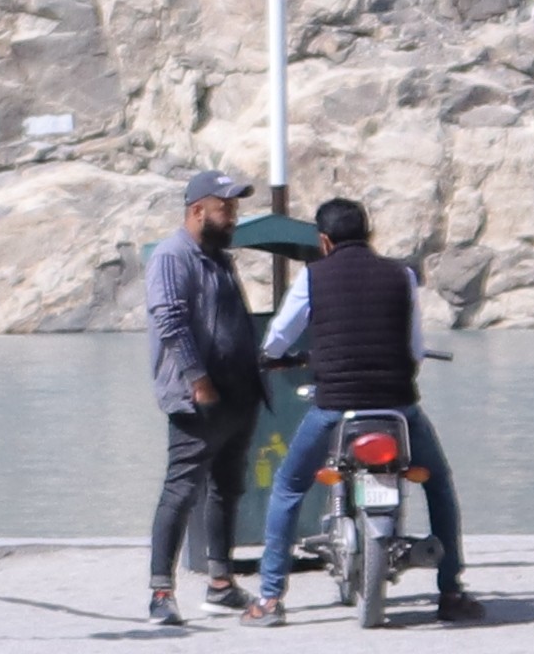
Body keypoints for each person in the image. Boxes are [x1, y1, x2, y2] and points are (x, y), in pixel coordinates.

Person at [254, 196, 476, 623]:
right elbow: (413, 348)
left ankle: (269, 599)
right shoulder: (401, 276)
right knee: (440, 485)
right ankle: (450, 591)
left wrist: (271, 354)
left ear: (324, 241)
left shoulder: (312, 278)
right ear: (369, 235)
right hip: (397, 408)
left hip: (335, 409)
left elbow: (278, 337)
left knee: (288, 487)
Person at [138, 168, 269, 626]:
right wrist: (198, 378)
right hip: (199, 398)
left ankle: (220, 584)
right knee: (181, 491)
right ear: (198, 211)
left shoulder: (217, 256)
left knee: (225, 490)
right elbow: (170, 321)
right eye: (225, 207)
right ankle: (160, 591)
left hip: (237, 395)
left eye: (234, 207)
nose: (233, 216)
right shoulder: (173, 256)